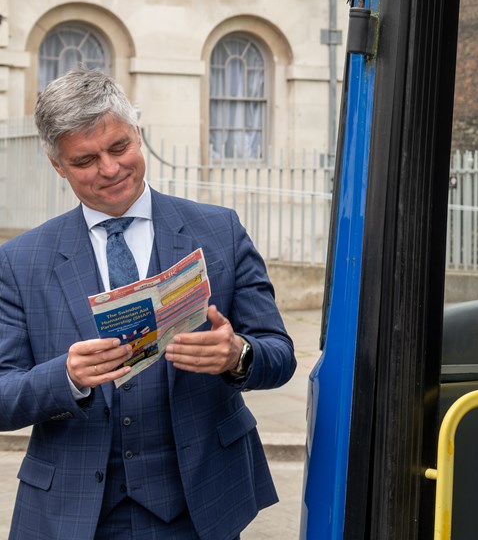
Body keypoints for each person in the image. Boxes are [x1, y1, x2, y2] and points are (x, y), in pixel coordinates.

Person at [0, 69, 296, 539]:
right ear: (57, 165)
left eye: (120, 148)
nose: (110, 169)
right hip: (76, 514)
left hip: (200, 504)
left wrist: (238, 355)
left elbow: (280, 356)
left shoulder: (220, 230)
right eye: (85, 160)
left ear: (138, 134)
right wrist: (66, 377)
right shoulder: (19, 261)